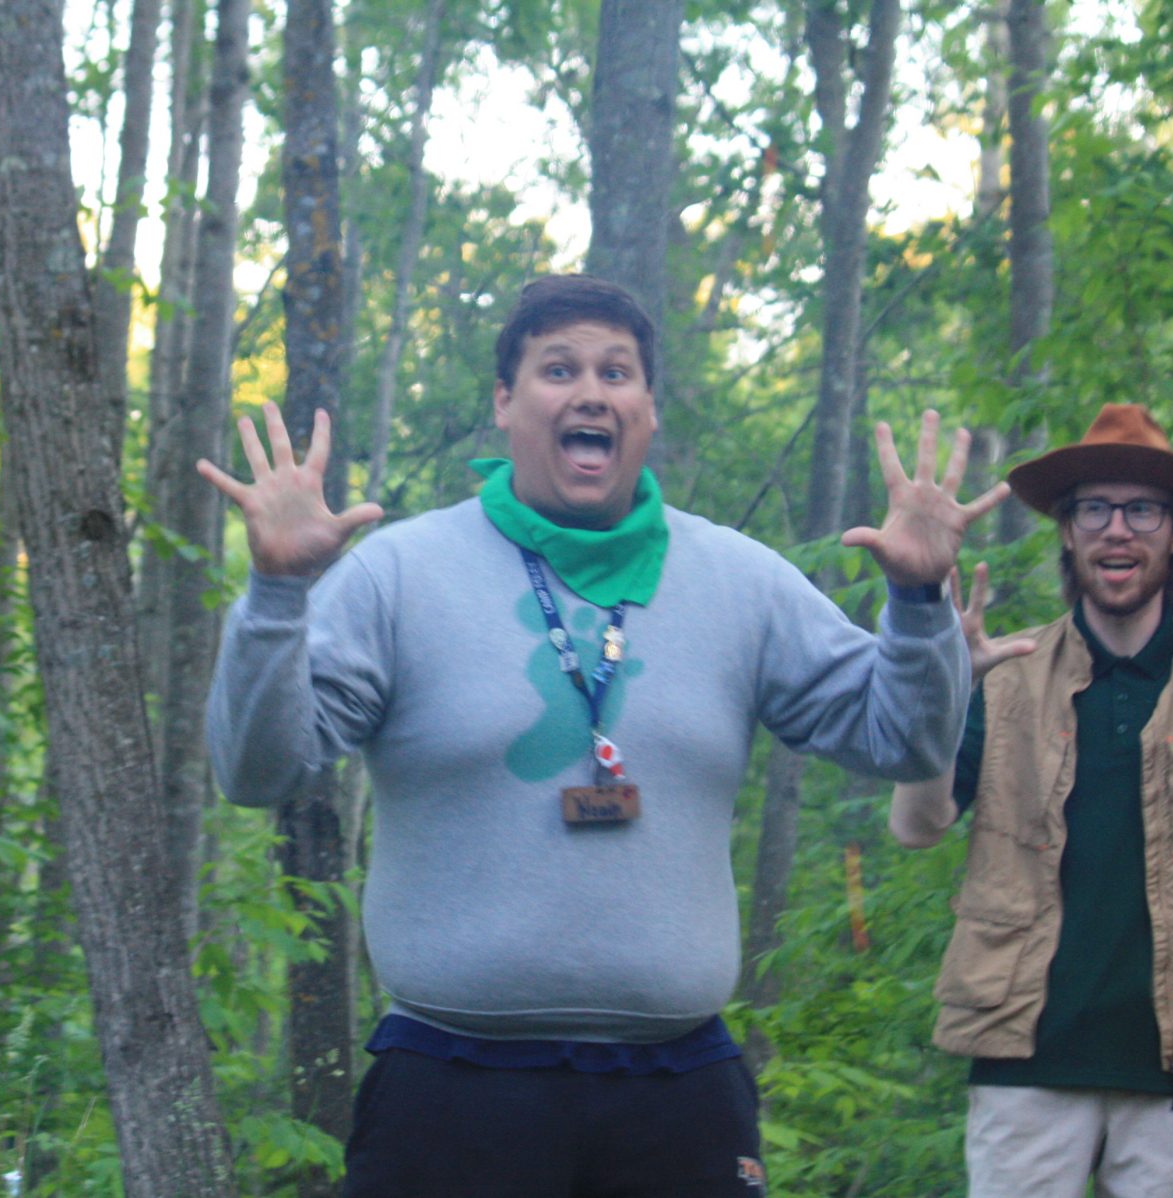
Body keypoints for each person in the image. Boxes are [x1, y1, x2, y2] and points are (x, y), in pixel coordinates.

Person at [200, 274, 1006, 1196]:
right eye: (559, 368)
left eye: (618, 372)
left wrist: (917, 605)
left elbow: (905, 743)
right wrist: (273, 595)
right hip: (449, 1085)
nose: (592, 391)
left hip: (679, 1095)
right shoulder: (399, 574)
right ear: (505, 404)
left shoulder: (741, 581)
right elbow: (257, 768)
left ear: (649, 410)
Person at [889, 404, 1173, 1198]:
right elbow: (915, 825)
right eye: (1094, 509)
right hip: (1023, 1058)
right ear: (1068, 532)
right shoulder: (1007, 671)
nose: (1117, 530)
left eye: (1142, 510)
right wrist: (944, 691)